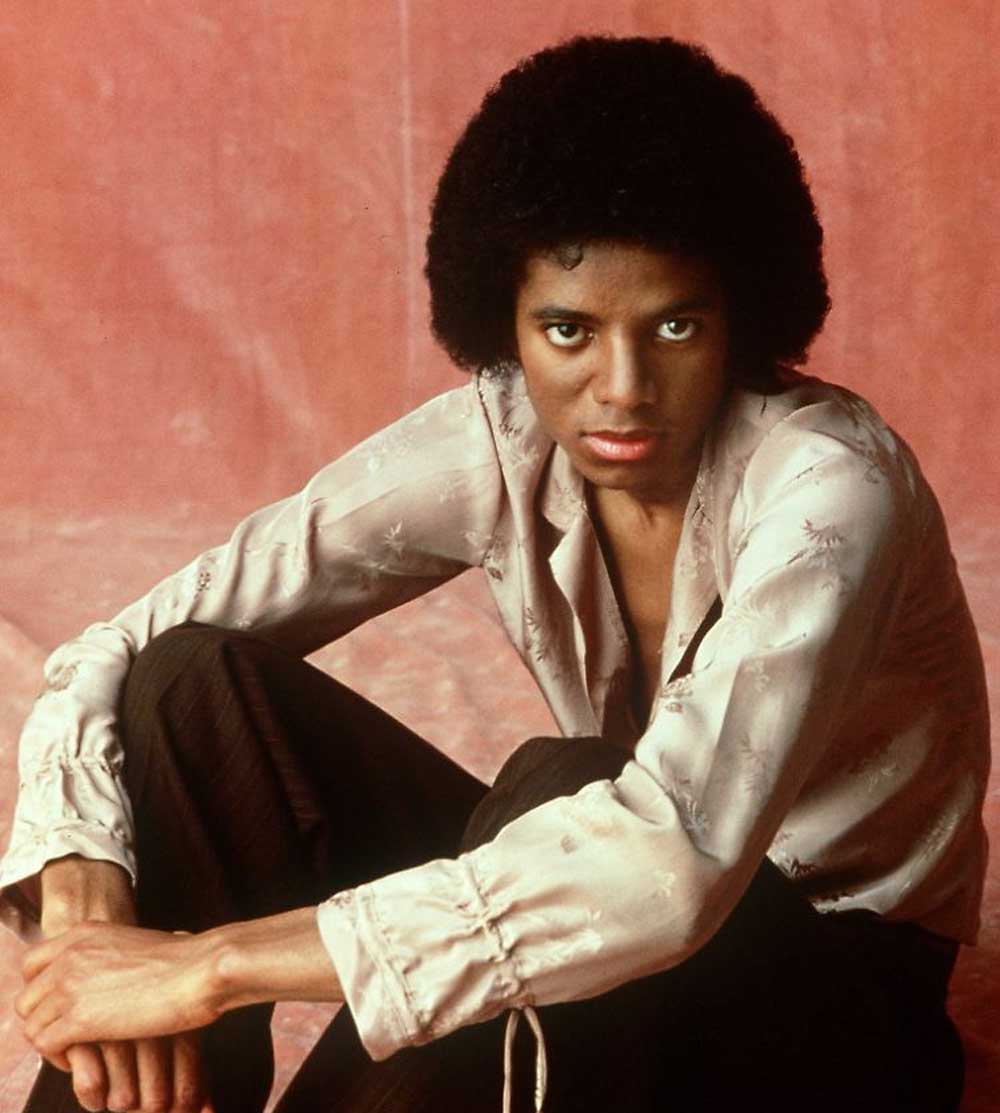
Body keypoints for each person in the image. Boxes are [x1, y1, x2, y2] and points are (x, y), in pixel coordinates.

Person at [2, 33, 989, 1113]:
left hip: (837, 1016)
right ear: (506, 328)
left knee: (564, 791)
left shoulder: (832, 488)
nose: (622, 386)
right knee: (189, 687)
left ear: (739, 317)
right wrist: (87, 897)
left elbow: (664, 865)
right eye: (568, 330)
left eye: (674, 326)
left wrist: (205, 967)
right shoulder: (498, 437)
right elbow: (121, 648)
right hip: (623, 932)